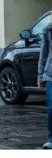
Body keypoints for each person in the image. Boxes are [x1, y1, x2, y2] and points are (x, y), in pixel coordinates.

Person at [37, 21, 52, 149]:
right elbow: (43, 54)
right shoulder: (48, 30)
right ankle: (51, 138)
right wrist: (40, 76)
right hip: (50, 75)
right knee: (51, 107)